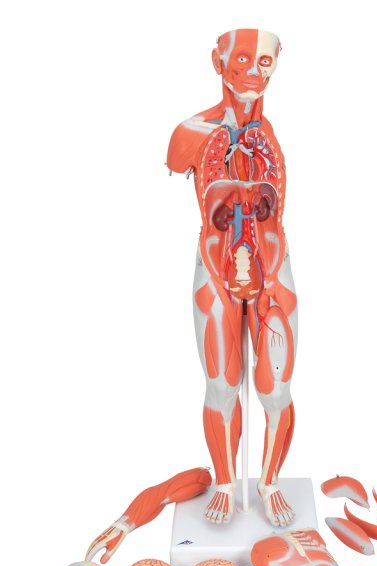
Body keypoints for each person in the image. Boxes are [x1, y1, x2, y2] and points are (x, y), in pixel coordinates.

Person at [166, 29, 297, 527]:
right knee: (222, 385)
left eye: (264, 61)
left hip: (272, 268)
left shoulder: (271, 134)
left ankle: (269, 481)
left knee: (276, 390)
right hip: (216, 267)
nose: (254, 72)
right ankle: (224, 481)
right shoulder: (190, 133)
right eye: (242, 59)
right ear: (217, 61)